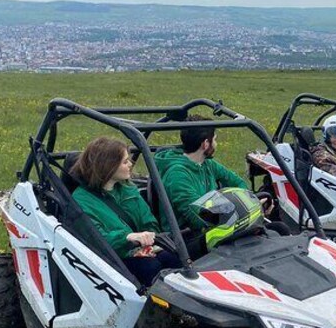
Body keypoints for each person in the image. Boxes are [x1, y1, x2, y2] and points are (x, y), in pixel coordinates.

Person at [71, 136, 181, 286]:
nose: (131, 164)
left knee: (174, 257)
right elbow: (95, 238)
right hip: (113, 258)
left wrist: (147, 243)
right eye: (125, 161)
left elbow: (148, 221)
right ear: (108, 166)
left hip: (141, 250)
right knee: (150, 267)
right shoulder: (80, 200)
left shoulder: (128, 189)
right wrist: (127, 238)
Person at [154, 115, 250, 233]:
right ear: (205, 144)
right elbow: (198, 216)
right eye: (214, 140)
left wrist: (247, 203)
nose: (216, 144)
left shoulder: (207, 164)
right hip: (187, 236)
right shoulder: (177, 175)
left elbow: (238, 183)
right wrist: (236, 213)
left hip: (213, 226)